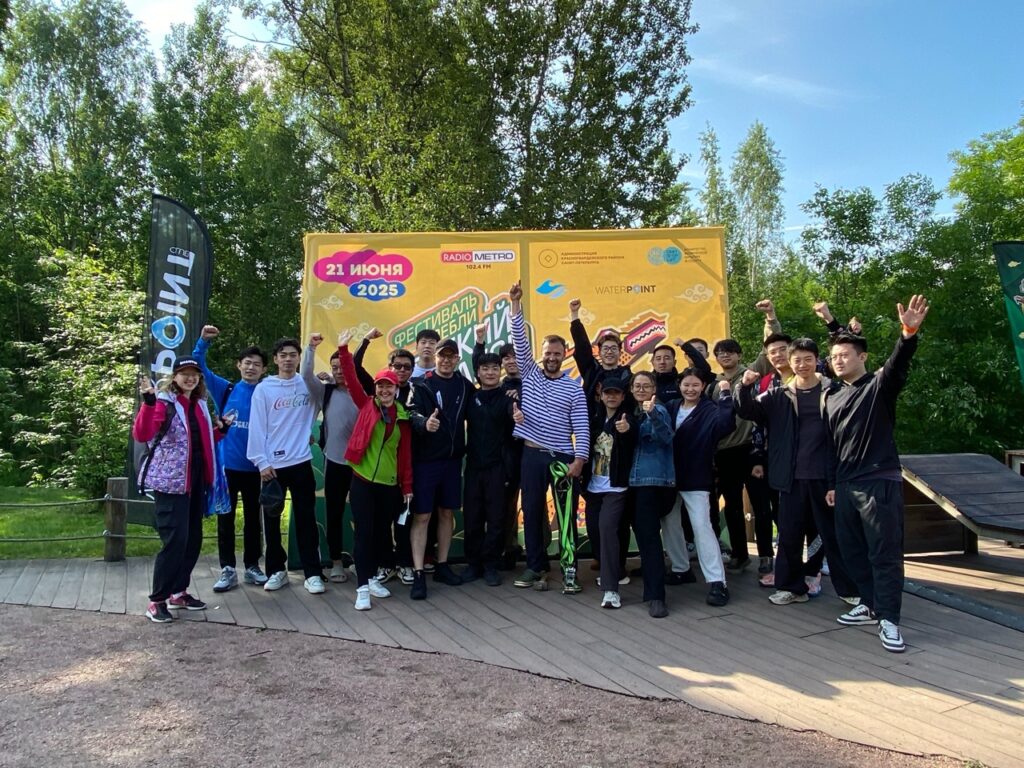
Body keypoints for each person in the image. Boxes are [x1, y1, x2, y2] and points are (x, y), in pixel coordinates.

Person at [825, 295, 929, 654]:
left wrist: (908, 333)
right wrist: (833, 484)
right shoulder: (832, 397)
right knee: (850, 550)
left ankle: (889, 619)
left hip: (878, 481)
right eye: (834, 357)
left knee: (883, 553)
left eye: (845, 355)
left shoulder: (879, 386)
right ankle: (869, 604)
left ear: (863, 357)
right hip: (845, 484)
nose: (839, 360)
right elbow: (832, 445)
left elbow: (899, 363)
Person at [735, 338, 859, 607]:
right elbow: (747, 410)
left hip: (826, 476)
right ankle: (791, 587)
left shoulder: (835, 391)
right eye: (797, 360)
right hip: (790, 477)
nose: (802, 365)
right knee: (789, 535)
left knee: (831, 534)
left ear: (817, 360)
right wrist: (742, 386)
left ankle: (848, 589)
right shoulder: (778, 394)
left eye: (808, 359)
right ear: (790, 364)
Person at [508, 280, 590, 593]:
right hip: (531, 454)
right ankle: (535, 565)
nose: (552, 357)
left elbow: (582, 426)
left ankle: (569, 569)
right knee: (531, 511)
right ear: (540, 355)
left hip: (562, 457)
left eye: (556, 353)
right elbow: (519, 339)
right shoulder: (529, 373)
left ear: (564, 354)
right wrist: (515, 304)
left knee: (566, 515)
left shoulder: (573, 387)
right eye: (547, 353)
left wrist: (580, 459)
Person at [134, 357, 227, 623]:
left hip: (196, 481)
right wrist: (148, 403)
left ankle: (178, 592)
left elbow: (200, 441)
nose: (190, 378)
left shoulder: (199, 404)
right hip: (170, 484)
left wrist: (221, 431)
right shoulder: (164, 403)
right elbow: (142, 434)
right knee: (174, 542)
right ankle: (157, 601)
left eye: (194, 373)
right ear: (174, 377)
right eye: (184, 373)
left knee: (192, 539)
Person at [335, 331, 414, 611]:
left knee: (381, 533)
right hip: (362, 480)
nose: (384, 390)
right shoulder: (366, 404)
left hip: (388, 485)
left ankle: (371, 578)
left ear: (395, 389)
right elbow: (351, 376)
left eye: (388, 386)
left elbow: (404, 456)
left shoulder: (403, 417)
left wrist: (407, 487)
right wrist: (343, 348)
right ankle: (362, 588)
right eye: (380, 386)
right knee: (364, 533)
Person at [191, 326, 270, 592]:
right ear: (239, 365)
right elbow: (198, 366)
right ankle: (227, 568)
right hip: (226, 468)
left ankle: (252, 566)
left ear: (263, 370)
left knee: (253, 520)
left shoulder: (266, 393)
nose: (251, 367)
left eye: (256, 364)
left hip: (256, 468)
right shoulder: (225, 389)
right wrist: (203, 341)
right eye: (247, 362)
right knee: (225, 518)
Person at [247, 338, 325, 595]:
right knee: (271, 522)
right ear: (276, 359)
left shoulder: (310, 386)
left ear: (299, 358)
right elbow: (257, 426)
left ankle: (312, 574)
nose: (288, 359)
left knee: (306, 520)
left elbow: (319, 397)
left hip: (301, 462)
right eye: (283, 355)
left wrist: (312, 349)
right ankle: (276, 571)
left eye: (293, 354)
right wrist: (261, 462)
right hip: (272, 467)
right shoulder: (264, 388)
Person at [710, 299, 780, 574]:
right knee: (733, 508)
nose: (725, 356)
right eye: (720, 353)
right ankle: (740, 554)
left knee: (761, 504)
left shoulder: (750, 373)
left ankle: (765, 555)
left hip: (751, 450)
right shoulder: (713, 385)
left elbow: (769, 348)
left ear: (739, 355)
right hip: (724, 452)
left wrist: (770, 318)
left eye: (730, 352)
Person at [407, 338, 476, 599]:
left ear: (457, 359)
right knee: (422, 516)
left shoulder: (465, 385)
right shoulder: (420, 384)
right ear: (435, 358)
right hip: (426, 462)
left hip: (453, 461)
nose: (446, 360)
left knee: (447, 513)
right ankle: (418, 573)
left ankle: (442, 565)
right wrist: (424, 423)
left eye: (451, 356)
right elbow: (411, 413)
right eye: (442, 356)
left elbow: (482, 407)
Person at [670, 370, 736, 607]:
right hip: (669, 477)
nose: (690, 389)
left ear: (703, 386)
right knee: (670, 524)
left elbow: (726, 425)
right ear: (679, 385)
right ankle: (681, 569)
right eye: (686, 384)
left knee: (702, 527)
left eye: (695, 385)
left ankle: (718, 581)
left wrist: (726, 394)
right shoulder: (671, 406)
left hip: (696, 476)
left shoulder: (709, 409)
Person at [302, 333, 359, 584]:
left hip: (362, 464)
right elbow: (306, 376)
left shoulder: (364, 392)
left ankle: (362, 560)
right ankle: (336, 561)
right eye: (334, 367)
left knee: (364, 514)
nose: (338, 371)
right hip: (334, 461)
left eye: (343, 366)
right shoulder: (325, 392)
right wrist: (311, 348)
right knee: (334, 513)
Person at [581, 373, 637, 609]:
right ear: (601, 396)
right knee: (594, 530)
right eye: (607, 393)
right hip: (593, 487)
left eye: (616, 393)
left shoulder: (628, 418)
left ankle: (610, 589)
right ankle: (616, 570)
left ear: (623, 396)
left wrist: (626, 430)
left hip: (616, 487)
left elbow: (633, 435)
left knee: (607, 529)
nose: (611, 397)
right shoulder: (594, 418)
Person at [627, 371, 678, 617]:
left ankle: (657, 596)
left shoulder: (659, 410)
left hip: (652, 483)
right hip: (630, 484)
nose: (641, 389)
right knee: (643, 539)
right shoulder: (629, 412)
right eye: (637, 386)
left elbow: (666, 436)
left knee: (650, 540)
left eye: (646, 385)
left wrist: (653, 414)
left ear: (654, 388)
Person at [461, 352, 515, 586]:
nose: (490, 372)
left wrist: (517, 415)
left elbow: (516, 421)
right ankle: (473, 564)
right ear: (478, 372)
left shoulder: (508, 398)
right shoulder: (471, 397)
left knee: (496, 519)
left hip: (498, 468)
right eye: (485, 368)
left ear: (500, 371)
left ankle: (491, 565)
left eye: (494, 368)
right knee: (472, 518)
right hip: (473, 466)